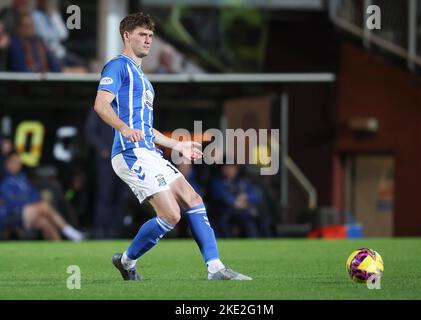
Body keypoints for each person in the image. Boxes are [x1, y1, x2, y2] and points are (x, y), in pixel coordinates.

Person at [93, 12, 251, 281]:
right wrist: (122, 127)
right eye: (142, 35)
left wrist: (178, 145)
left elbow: (146, 129)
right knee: (171, 214)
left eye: (151, 36)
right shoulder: (117, 66)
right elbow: (100, 105)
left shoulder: (143, 79)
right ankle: (128, 261)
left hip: (149, 153)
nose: (148, 40)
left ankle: (215, 268)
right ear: (126, 36)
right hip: (130, 154)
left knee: (193, 199)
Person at [0, 150, 84, 241]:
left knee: (44, 222)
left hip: (28, 212)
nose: (18, 164)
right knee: (44, 206)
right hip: (12, 214)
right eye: (14, 162)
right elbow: (12, 201)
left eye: (19, 162)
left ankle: (59, 246)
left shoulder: (23, 178)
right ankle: (69, 231)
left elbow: (34, 194)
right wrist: (33, 204)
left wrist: (33, 203)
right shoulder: (5, 181)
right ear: (7, 164)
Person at [85, 108, 128, 239]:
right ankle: (101, 230)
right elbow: (90, 132)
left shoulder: (124, 106)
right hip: (106, 161)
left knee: (120, 196)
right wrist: (102, 148)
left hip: (124, 159)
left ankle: (116, 230)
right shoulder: (100, 107)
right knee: (105, 195)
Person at [210, 163, 264, 238]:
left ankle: (254, 243)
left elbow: (257, 195)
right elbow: (221, 195)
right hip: (224, 212)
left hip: (243, 212)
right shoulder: (217, 181)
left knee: (252, 221)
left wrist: (246, 196)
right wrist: (234, 202)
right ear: (222, 169)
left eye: (232, 167)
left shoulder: (242, 181)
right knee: (223, 222)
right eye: (227, 167)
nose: (230, 170)